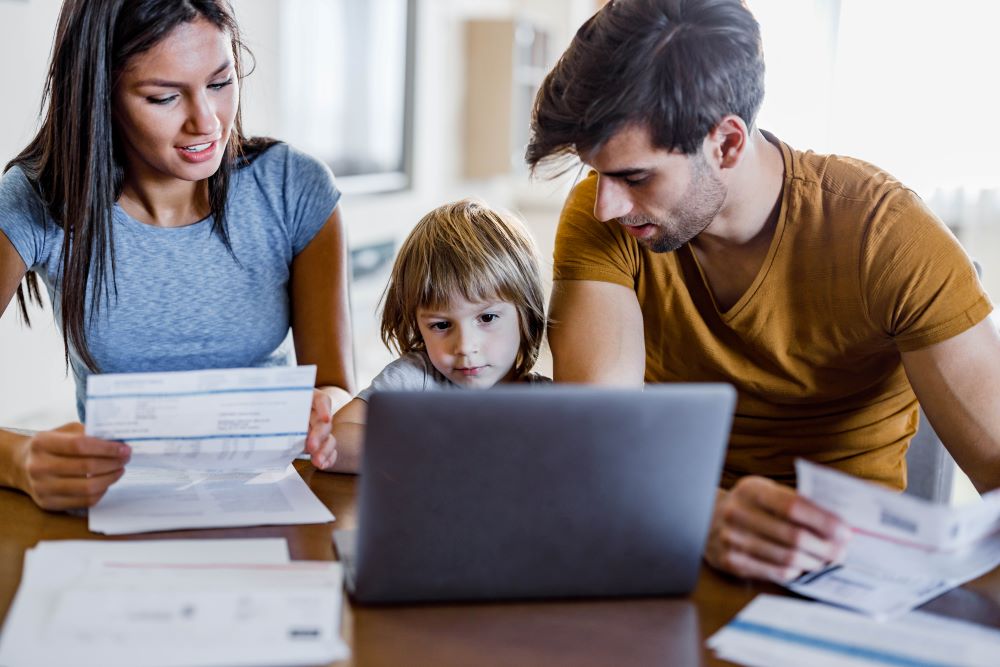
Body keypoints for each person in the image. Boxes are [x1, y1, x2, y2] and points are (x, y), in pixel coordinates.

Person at [526, 0, 1000, 583]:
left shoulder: (885, 235)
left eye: (634, 176)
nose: (607, 204)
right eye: (597, 173)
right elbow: (598, 437)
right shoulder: (606, 221)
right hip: (664, 538)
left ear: (726, 142)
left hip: (845, 575)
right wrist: (701, 516)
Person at [0, 0, 355, 511]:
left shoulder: (293, 188)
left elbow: (335, 391)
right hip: (114, 508)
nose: (207, 123)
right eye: (164, 97)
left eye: (220, 82)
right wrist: (19, 458)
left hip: (268, 502)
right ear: (101, 97)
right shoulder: (39, 199)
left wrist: (329, 410)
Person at [307, 199, 550, 473]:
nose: (465, 347)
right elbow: (335, 441)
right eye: (442, 325)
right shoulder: (416, 378)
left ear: (525, 313)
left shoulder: (547, 400)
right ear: (417, 324)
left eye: (487, 318)